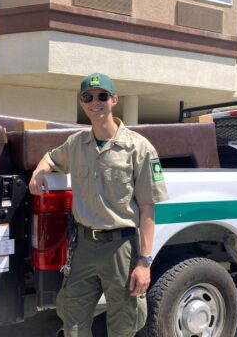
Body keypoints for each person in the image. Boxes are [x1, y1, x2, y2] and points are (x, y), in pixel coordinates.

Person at [29, 73, 168, 337]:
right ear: (82, 103)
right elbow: (50, 157)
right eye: (88, 97)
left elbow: (148, 209)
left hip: (121, 248)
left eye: (102, 96)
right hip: (83, 247)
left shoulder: (139, 148)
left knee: (123, 324)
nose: (95, 102)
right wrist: (39, 172)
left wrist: (144, 263)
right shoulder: (76, 143)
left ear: (114, 100)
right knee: (73, 320)